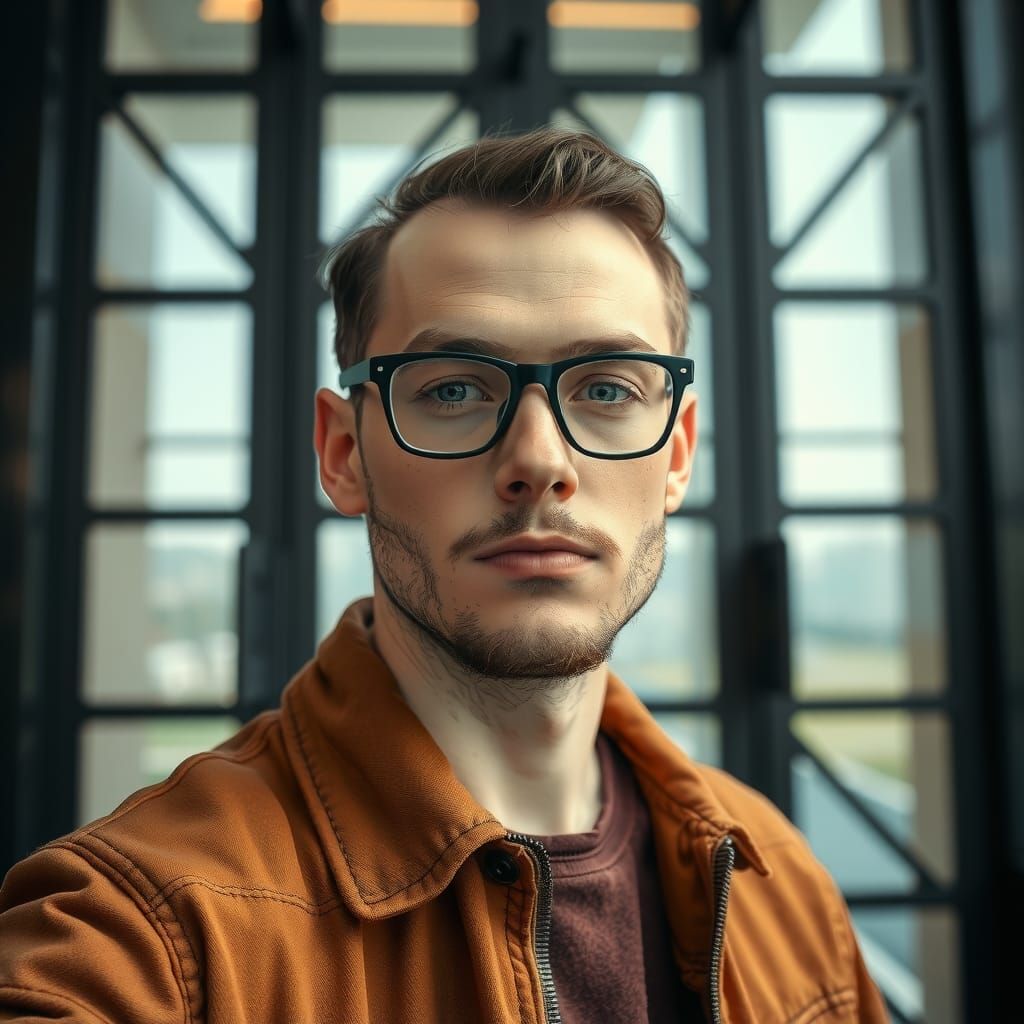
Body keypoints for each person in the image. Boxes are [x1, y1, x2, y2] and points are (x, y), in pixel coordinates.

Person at [0, 127, 888, 1023]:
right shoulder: (151, 933)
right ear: (343, 452)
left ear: (678, 456)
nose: (539, 462)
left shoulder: (783, 883)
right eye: (455, 389)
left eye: (608, 389)